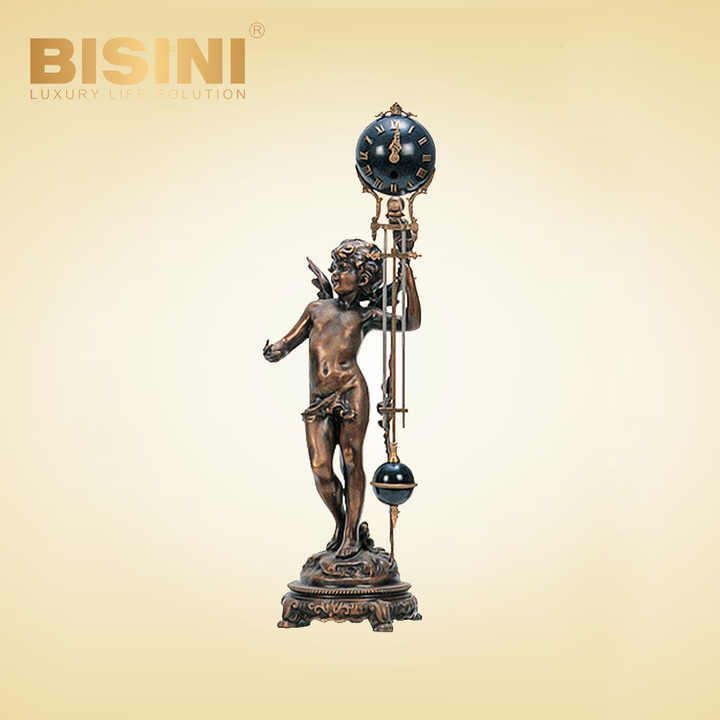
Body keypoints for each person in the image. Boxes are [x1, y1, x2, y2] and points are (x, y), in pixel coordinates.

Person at [263, 239, 421, 558]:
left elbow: (411, 322)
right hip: (318, 399)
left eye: (345, 268)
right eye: (335, 267)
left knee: (351, 460)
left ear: (364, 278)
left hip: (351, 392)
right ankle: (341, 521)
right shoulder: (316, 309)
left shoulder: (365, 315)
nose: (336, 273)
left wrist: (406, 272)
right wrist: (277, 349)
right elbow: (290, 340)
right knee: (321, 467)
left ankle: (351, 535)